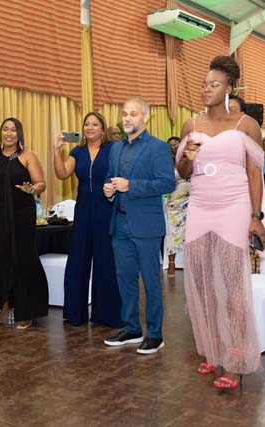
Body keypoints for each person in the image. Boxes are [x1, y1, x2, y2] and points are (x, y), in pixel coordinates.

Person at [176, 55, 265, 390]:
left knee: (232, 285)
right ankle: (212, 350)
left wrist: (256, 217)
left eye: (213, 84)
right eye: (203, 84)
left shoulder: (246, 124)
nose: (206, 89)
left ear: (229, 89)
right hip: (200, 205)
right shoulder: (191, 124)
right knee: (201, 283)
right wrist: (187, 158)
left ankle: (237, 359)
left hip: (233, 206)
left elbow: (254, 173)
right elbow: (183, 173)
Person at [102, 97, 175, 354]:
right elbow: (110, 178)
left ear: (145, 117)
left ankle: (155, 334)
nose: (127, 118)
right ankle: (132, 328)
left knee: (151, 282)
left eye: (133, 114)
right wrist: (109, 190)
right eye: (124, 114)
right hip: (120, 222)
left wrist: (131, 186)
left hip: (146, 226)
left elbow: (167, 183)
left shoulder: (158, 147)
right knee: (125, 279)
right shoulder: (115, 148)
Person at [0, 118, 48, 330]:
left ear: (19, 133)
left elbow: (41, 183)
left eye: (13, 130)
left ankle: (25, 310)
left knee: (22, 259)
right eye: (5, 129)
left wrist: (32, 189)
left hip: (22, 214)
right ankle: (1, 304)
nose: (9, 133)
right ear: (1, 132)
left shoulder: (27, 155)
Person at [52, 112, 121, 328]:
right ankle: (75, 313)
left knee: (105, 260)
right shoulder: (77, 151)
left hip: (106, 209)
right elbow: (62, 173)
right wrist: (56, 150)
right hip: (82, 210)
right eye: (87, 124)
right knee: (78, 259)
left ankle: (107, 314)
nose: (90, 127)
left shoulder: (112, 149)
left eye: (95, 124)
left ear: (103, 129)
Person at [164, 136, 189, 276]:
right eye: (170, 145)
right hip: (175, 201)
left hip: (193, 200)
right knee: (173, 233)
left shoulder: (190, 159)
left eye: (176, 144)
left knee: (193, 233)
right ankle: (171, 264)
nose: (173, 147)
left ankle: (192, 264)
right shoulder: (166, 162)